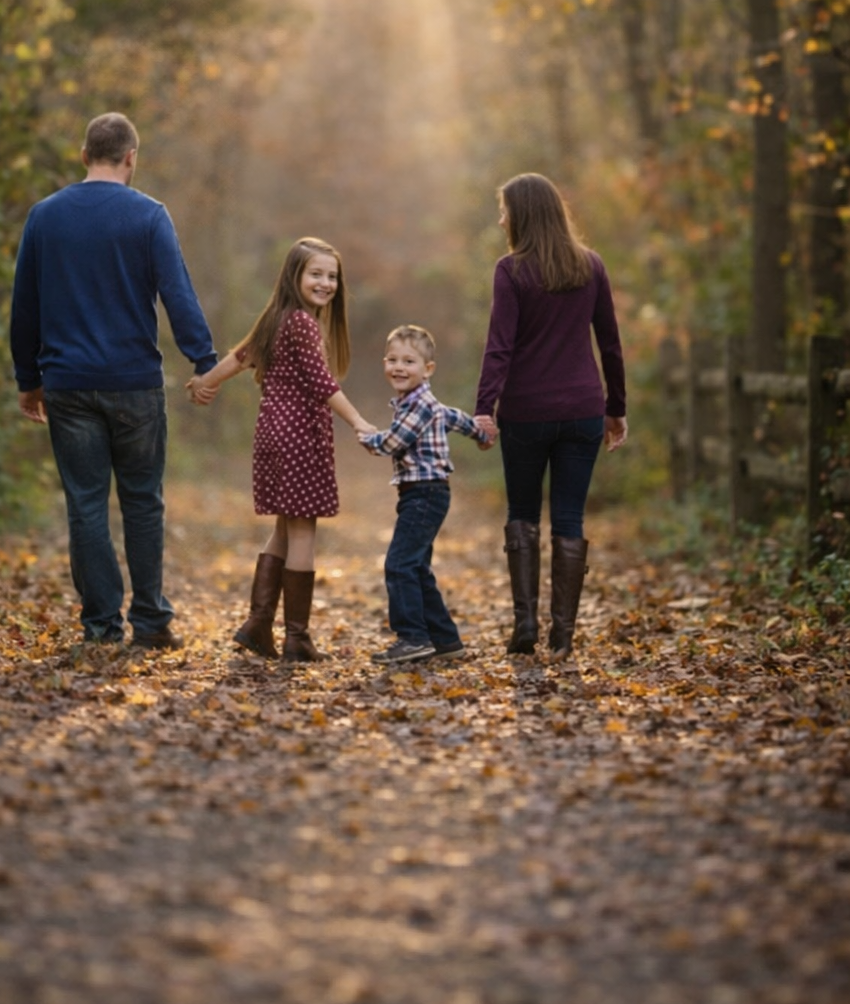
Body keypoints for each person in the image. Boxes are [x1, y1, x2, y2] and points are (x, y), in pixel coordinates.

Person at [10, 112, 217, 649]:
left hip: (68, 384)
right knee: (143, 500)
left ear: (84, 156)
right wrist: (203, 361)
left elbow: (24, 307)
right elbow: (178, 294)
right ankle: (150, 622)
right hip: (135, 385)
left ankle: (101, 626)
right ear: (131, 158)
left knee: (85, 504)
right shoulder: (149, 215)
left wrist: (27, 379)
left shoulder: (44, 217)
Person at [187, 237, 375, 662]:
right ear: (295, 275)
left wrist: (207, 381)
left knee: (284, 528)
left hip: (272, 433)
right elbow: (321, 383)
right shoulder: (303, 324)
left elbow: (240, 357)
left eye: (332, 276)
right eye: (316, 274)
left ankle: (257, 625)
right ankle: (297, 637)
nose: (326, 283)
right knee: (304, 528)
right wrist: (359, 422)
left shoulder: (279, 317)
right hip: (298, 437)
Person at [474, 173, 628, 661]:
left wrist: (484, 408)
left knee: (522, 515)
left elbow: (499, 347)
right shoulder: (591, 266)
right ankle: (562, 636)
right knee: (569, 518)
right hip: (583, 410)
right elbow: (610, 344)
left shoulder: (511, 270)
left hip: (526, 413)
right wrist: (616, 408)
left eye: (504, 210)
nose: (501, 219)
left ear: (522, 214)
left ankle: (525, 625)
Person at [359, 325, 493, 665]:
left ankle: (413, 637)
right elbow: (455, 417)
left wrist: (369, 437)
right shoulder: (422, 402)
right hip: (421, 494)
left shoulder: (417, 406)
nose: (399, 367)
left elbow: (393, 442)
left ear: (428, 369)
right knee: (417, 566)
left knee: (399, 563)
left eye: (409, 361)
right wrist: (480, 431)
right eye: (392, 360)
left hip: (425, 494)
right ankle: (445, 639)